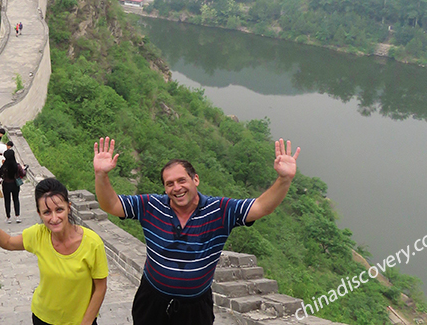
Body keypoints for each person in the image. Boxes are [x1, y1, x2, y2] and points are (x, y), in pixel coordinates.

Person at [92, 137, 300, 325]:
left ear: (195, 180)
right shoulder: (151, 206)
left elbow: (262, 207)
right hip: (152, 299)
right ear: (165, 188)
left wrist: (284, 180)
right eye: (169, 184)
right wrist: (101, 175)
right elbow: (111, 205)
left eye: (182, 180)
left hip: (195, 307)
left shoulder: (220, 210)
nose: (177, 188)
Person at [0, 178, 108, 325]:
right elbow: (8, 242)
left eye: (59, 210)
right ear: (39, 213)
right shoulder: (39, 234)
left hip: (80, 321)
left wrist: (86, 322)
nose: (54, 218)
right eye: (47, 212)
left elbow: (100, 288)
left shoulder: (92, 243)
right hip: (43, 317)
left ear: (69, 207)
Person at [0, 148, 24, 224]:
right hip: (15, 184)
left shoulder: (3, 167)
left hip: (6, 184)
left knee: (7, 200)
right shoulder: (17, 166)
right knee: (16, 199)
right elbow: (23, 173)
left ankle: (8, 217)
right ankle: (17, 216)